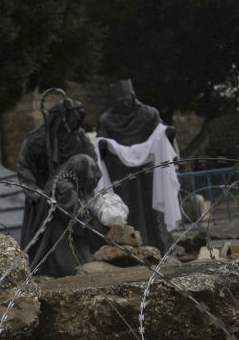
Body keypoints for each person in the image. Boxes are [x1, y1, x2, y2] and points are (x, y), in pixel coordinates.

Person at [96, 79, 177, 251]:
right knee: (125, 210)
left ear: (133, 97)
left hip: (147, 171)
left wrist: (169, 134)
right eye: (120, 101)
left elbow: (161, 135)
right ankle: (125, 248)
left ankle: (160, 246)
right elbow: (100, 147)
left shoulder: (149, 114)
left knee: (152, 209)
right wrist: (103, 147)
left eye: (128, 99)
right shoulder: (106, 120)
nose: (125, 103)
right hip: (121, 174)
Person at [17, 95, 96, 251]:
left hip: (71, 194)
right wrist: (33, 189)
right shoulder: (37, 139)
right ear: (62, 119)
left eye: (77, 122)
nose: (75, 126)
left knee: (75, 233)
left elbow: (91, 163)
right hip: (43, 197)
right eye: (72, 121)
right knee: (45, 240)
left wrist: (84, 185)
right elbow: (24, 165)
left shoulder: (79, 138)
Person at [25, 154, 104, 277]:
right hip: (61, 239)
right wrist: (94, 220)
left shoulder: (63, 181)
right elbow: (76, 220)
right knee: (74, 271)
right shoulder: (66, 188)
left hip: (62, 234)